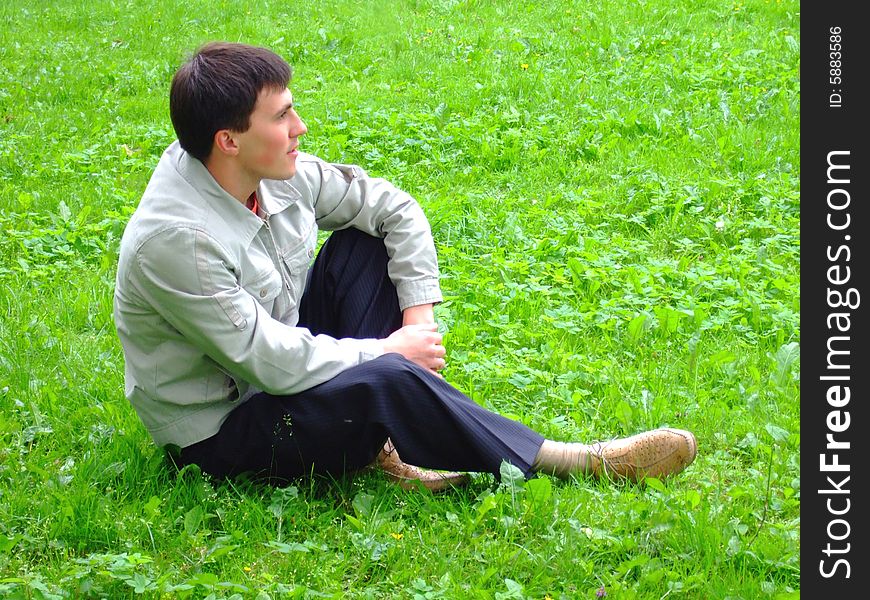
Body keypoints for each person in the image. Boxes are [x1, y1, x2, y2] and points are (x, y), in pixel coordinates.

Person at [113, 42, 697, 492]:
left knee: (364, 248)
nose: (300, 130)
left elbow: (394, 208)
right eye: (282, 117)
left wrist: (416, 326)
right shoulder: (176, 242)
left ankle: (381, 439)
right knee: (387, 376)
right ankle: (570, 461)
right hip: (227, 433)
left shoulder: (265, 172)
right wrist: (390, 353)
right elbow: (272, 364)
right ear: (229, 140)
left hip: (283, 360)